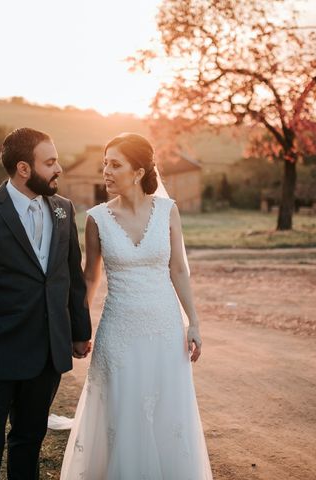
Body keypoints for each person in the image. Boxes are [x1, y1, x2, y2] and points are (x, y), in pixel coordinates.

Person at [60, 133, 213, 479]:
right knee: (123, 413)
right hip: (119, 330)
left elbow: (178, 269)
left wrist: (195, 323)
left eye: (115, 164)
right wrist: (80, 329)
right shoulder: (96, 218)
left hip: (164, 329)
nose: (106, 172)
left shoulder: (167, 211)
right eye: (105, 164)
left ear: (139, 171)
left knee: (166, 414)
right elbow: (90, 278)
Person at [0, 127, 92, 480]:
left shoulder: (63, 210)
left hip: (46, 355)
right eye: (51, 162)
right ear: (24, 168)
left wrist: (79, 331)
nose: (59, 169)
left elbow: (71, 277)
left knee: (29, 442)